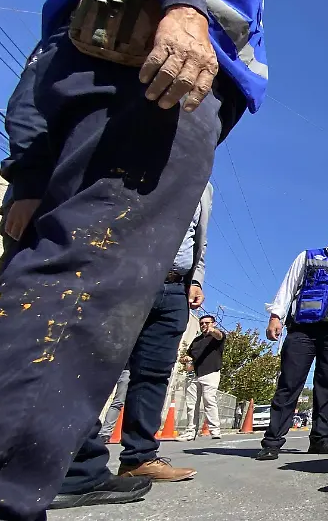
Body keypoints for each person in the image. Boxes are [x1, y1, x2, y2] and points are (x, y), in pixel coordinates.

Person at [0, 0, 316, 516]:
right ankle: (4, 489)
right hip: (150, 94)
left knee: (94, 294)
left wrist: (31, 178)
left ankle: (70, 466)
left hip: (139, 97)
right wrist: (185, 7)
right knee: (88, 281)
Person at [54, 182, 214, 511]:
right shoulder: (142, 162)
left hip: (174, 288)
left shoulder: (203, 185)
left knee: (153, 374)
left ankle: (139, 458)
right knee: (93, 365)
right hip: (124, 276)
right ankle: (69, 463)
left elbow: (199, 236)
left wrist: (196, 279)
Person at [255, 219, 328, 461]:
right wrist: (276, 316)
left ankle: (320, 439)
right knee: (289, 383)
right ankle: (272, 442)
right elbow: (288, 287)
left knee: (326, 386)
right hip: (303, 330)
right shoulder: (308, 257)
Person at [179, 313, 227, 440]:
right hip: (194, 374)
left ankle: (215, 430)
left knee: (209, 400)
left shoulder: (216, 337)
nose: (204, 325)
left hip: (211, 373)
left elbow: (219, 335)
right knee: (191, 404)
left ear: (213, 324)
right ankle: (190, 431)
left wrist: (212, 330)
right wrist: (185, 359)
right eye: (201, 323)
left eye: (207, 323)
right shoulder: (196, 340)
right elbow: (189, 356)